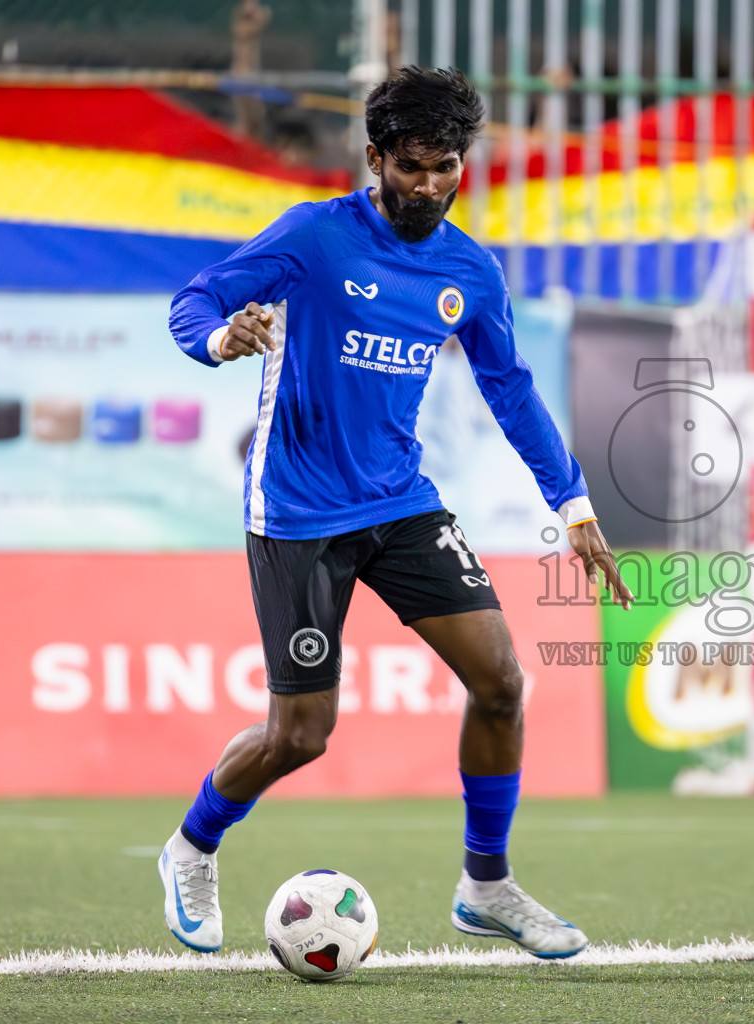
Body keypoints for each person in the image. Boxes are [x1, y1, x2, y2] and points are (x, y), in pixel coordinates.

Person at [162, 66, 632, 960]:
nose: (428, 185)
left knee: (500, 680)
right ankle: (191, 847)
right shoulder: (314, 236)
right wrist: (223, 339)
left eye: (445, 166)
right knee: (302, 735)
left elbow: (511, 389)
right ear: (375, 158)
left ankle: (484, 884)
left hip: (400, 502)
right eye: (411, 166)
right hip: (297, 510)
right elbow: (196, 300)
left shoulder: (467, 270)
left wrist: (572, 503)